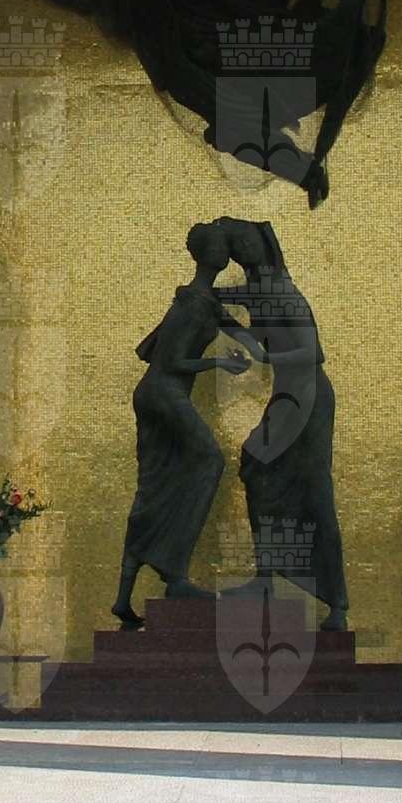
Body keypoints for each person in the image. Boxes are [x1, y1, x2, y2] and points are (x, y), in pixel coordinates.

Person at [112, 223, 261, 629]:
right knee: (209, 461)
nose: (226, 253)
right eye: (222, 247)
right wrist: (220, 363)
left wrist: (274, 339)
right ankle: (175, 573)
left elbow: (247, 338)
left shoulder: (204, 301)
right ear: (209, 254)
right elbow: (171, 361)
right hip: (163, 393)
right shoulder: (194, 304)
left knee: (156, 485)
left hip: (160, 394)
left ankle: (124, 597)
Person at [214, 218, 350, 630]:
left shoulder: (282, 292)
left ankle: (336, 602)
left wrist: (265, 357)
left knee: (314, 492)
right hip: (289, 394)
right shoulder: (262, 292)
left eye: (247, 242)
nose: (243, 251)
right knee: (257, 470)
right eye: (236, 246)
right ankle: (267, 577)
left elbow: (311, 353)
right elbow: (248, 323)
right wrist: (224, 319)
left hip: (307, 397)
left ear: (264, 244)